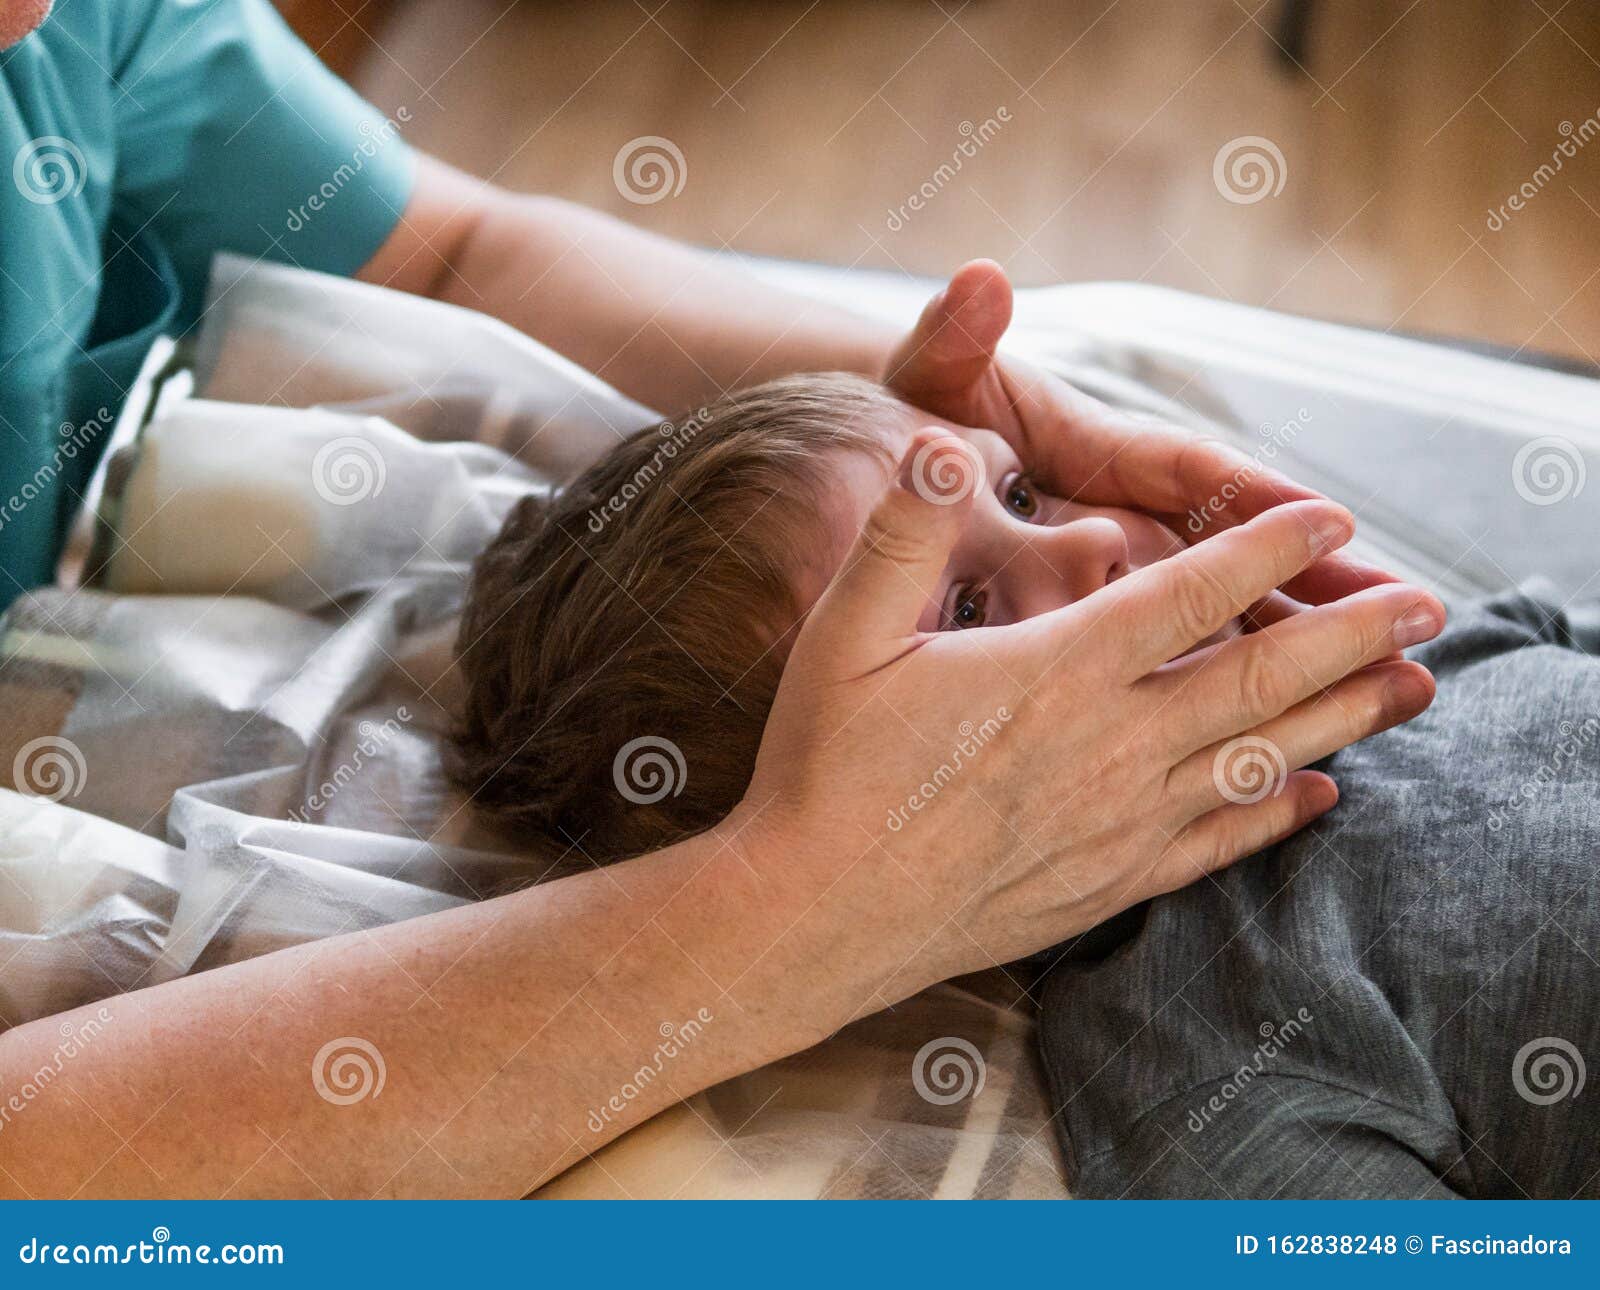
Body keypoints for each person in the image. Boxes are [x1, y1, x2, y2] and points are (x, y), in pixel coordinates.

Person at [0, 0, 1442, 1199]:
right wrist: (792, 910)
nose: (1102, 564)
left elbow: (454, 255)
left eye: (1031, 497)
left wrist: (885, 419)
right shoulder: (1222, 1052)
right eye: (975, 612)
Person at [451, 373, 1596, 1199]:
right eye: (965, 610)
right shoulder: (1197, 1054)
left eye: (1025, 494)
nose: (1097, 536)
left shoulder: (1383, 639)